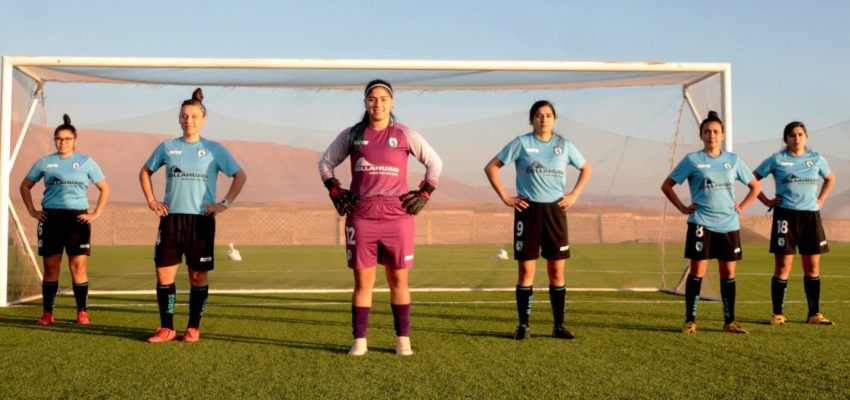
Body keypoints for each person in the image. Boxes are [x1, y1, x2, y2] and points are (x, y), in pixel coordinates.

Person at [318, 79, 442, 356]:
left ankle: (402, 341)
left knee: (399, 281)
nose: (378, 103)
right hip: (361, 215)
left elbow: (435, 162)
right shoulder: (352, 134)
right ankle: (359, 341)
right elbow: (325, 162)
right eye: (372, 98)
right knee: (363, 283)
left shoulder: (404, 133)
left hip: (397, 216)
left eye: (383, 99)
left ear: (392, 102)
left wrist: (425, 192)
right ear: (365, 103)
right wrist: (335, 190)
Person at [139, 88, 247, 343]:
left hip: (200, 221)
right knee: (164, 274)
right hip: (171, 219)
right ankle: (167, 328)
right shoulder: (167, 146)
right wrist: (152, 200)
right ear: (179, 118)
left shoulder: (214, 149)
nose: (189, 120)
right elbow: (144, 172)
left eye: (194, 116)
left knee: (197, 276)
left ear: (204, 119)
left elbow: (240, 176)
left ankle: (193, 328)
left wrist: (223, 203)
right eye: (184, 116)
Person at [484, 100, 592, 340]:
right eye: (539, 116)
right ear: (531, 120)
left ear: (554, 120)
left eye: (548, 115)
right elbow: (491, 167)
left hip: (556, 212)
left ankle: (558, 326)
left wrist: (574, 195)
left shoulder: (564, 145)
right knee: (526, 270)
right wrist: (505, 198)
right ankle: (523, 326)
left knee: (556, 272)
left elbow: (586, 169)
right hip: (528, 211)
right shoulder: (521, 143)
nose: (544, 119)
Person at [661, 111, 760, 334]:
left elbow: (756, 187)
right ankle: (690, 321)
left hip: (729, 225)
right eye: (707, 131)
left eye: (716, 131)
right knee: (697, 271)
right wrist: (682, 208)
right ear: (702, 135)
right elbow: (667, 185)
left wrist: (741, 207)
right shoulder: (692, 160)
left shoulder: (733, 160)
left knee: (728, 274)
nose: (711, 135)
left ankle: (729, 322)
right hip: (701, 223)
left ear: (722, 135)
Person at [21, 114, 110, 325]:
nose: (63, 142)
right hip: (50, 218)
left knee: (77, 267)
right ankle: (47, 313)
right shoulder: (45, 162)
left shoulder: (86, 162)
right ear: (54, 140)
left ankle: (82, 312)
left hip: (76, 219)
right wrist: (33, 211)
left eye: (67, 138)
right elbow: (24, 186)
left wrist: (96, 213)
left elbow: (104, 188)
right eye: (59, 138)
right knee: (51, 267)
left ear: (75, 140)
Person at [753, 121, 836, 326]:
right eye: (791, 135)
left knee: (813, 265)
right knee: (783, 265)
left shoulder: (815, 159)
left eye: (800, 134)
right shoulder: (777, 159)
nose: (796, 138)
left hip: (811, 217)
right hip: (786, 217)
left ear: (806, 137)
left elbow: (830, 179)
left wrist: (821, 200)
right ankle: (777, 313)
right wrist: (765, 201)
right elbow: (752, 179)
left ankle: (814, 314)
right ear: (785, 139)